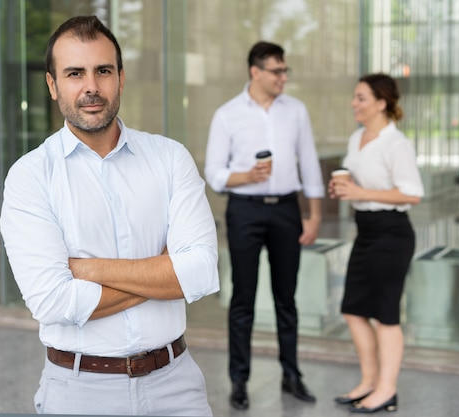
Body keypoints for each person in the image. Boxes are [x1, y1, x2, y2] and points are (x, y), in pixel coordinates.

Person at [0, 15, 219, 416]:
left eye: (103, 71)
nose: (91, 87)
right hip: (78, 392)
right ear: (52, 85)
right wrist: (167, 272)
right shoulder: (31, 176)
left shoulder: (170, 159)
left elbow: (201, 271)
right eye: (74, 73)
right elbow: (52, 301)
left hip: (176, 387)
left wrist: (87, 269)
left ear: (121, 76)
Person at [204, 41, 324, 410]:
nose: (283, 77)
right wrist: (247, 176)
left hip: (287, 210)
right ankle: (239, 380)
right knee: (243, 299)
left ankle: (292, 374)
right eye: (277, 71)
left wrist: (314, 214)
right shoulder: (227, 115)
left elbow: (309, 161)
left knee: (286, 298)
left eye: (285, 71)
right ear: (255, 72)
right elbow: (213, 172)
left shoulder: (296, 111)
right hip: (245, 211)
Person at [329, 73, 424, 413]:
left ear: (382, 102)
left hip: (392, 234)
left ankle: (387, 390)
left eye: (361, 98)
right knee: (353, 310)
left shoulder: (396, 143)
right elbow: (362, 184)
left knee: (385, 315)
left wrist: (361, 192)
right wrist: (346, 189)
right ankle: (369, 382)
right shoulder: (358, 138)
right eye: (354, 97)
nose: (354, 103)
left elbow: (412, 193)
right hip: (366, 230)